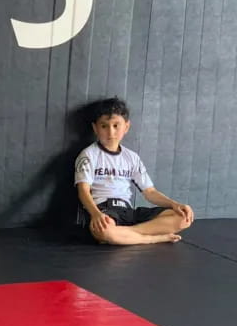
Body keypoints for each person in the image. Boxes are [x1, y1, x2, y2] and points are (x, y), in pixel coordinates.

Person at [75, 97, 193, 245]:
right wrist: (96, 214)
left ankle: (127, 236)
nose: (111, 132)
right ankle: (153, 238)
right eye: (104, 126)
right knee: (104, 231)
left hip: (128, 211)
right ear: (95, 128)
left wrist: (174, 204)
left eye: (116, 125)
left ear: (126, 127)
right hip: (105, 210)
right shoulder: (89, 155)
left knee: (183, 217)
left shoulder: (131, 157)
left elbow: (150, 192)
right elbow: (83, 191)